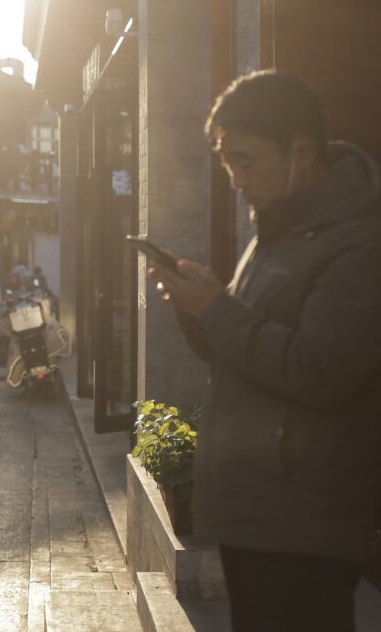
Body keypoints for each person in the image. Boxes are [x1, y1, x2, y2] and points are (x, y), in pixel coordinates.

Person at [149, 70, 381, 632]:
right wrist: (196, 306)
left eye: (246, 161)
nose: (235, 178)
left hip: (305, 522)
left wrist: (217, 309)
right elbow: (243, 352)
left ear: (301, 151)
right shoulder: (275, 230)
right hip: (258, 515)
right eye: (228, 162)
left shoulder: (356, 241)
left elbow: (320, 369)